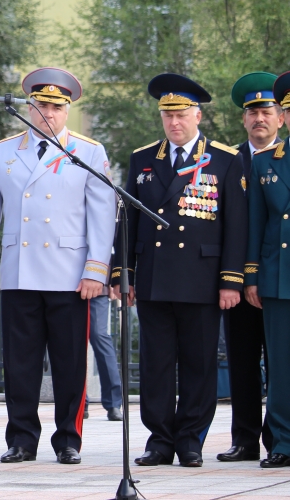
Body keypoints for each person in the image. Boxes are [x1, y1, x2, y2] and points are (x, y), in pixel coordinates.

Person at [111, 73, 246, 468]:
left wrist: (231, 280)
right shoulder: (143, 159)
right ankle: (159, 440)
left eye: (182, 114)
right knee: (155, 364)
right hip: (153, 278)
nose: (174, 123)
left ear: (198, 115)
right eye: (167, 115)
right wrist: (124, 273)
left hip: (202, 279)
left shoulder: (223, 159)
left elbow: (236, 226)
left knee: (199, 364)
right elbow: (129, 222)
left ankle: (190, 440)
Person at [0, 68, 115, 466]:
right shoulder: (3, 151)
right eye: (41, 105)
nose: (48, 114)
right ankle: (21, 439)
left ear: (67, 111)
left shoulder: (88, 152)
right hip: (19, 272)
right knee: (20, 363)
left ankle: (68, 439)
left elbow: (102, 214)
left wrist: (96, 270)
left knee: (70, 363)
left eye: (57, 107)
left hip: (69, 274)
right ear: (30, 106)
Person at [219, 72, 279, 463]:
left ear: (280, 117)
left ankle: (279, 438)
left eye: (267, 111)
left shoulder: (287, 158)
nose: (259, 119)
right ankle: (244, 439)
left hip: (277, 281)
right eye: (252, 112)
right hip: (236, 281)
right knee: (241, 362)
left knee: (280, 364)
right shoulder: (229, 160)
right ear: (243, 119)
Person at [245, 70, 290, 469]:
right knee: (281, 365)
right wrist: (253, 276)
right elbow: (257, 225)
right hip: (280, 277)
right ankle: (284, 443)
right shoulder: (265, 162)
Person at [89, 296, 123, 422]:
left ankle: (113, 403)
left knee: (99, 335)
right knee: (72, 341)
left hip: (98, 287)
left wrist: (113, 282)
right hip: (68, 288)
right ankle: (79, 403)